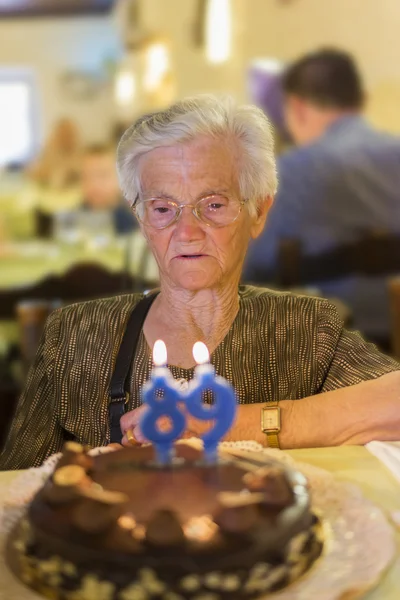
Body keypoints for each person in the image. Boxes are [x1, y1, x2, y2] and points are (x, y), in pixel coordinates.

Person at [1, 95, 399, 470]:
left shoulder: (306, 328)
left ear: (258, 211)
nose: (187, 231)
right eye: (162, 208)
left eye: (213, 205)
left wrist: (235, 426)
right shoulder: (75, 337)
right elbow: (16, 489)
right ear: (140, 217)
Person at [243, 48, 400, 348]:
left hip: (336, 350)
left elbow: (251, 265)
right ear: (362, 100)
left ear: (297, 108)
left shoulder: (292, 171)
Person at [80, 144, 137, 235]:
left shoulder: (128, 220)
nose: (94, 184)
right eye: (86, 177)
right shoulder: (77, 216)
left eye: (103, 176)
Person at [27, 118, 82, 189]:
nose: (66, 137)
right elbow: (32, 172)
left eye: (69, 134)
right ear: (56, 135)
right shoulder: (48, 151)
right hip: (50, 194)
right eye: (62, 134)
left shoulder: (81, 152)